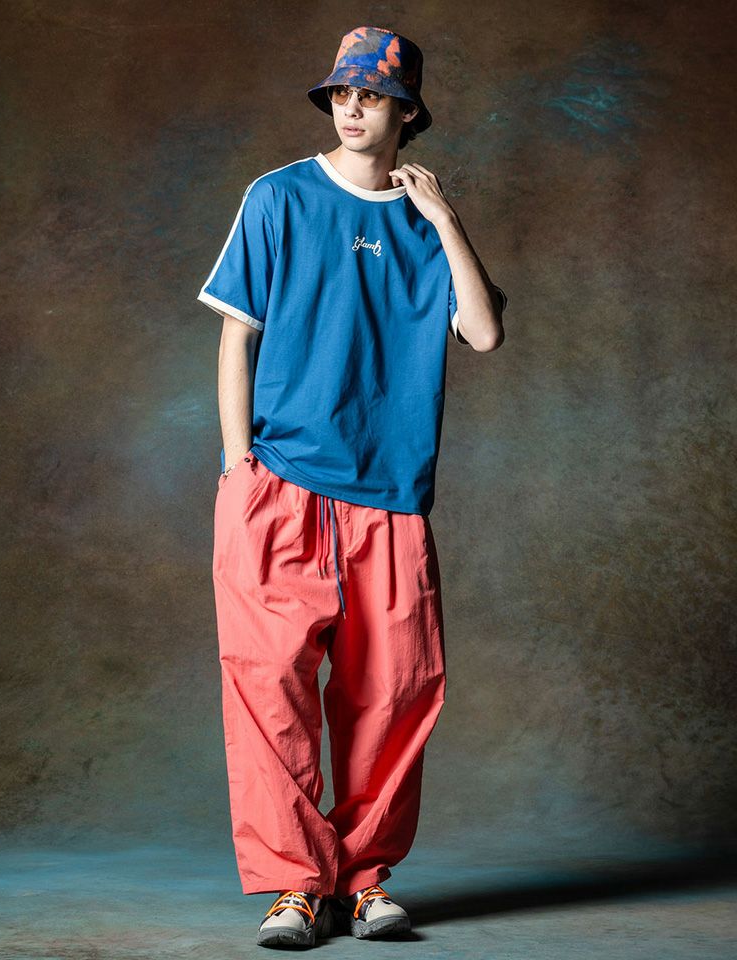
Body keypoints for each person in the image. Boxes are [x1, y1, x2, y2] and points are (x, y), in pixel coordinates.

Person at [197, 24, 507, 950]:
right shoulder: (279, 196)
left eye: (372, 95)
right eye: (342, 92)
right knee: (270, 691)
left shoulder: (425, 223)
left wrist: (445, 220)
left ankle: (365, 881)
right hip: (279, 487)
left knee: (393, 695)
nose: (352, 108)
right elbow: (238, 336)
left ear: (406, 111)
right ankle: (295, 887)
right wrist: (237, 466)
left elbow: (484, 333)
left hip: (390, 496)